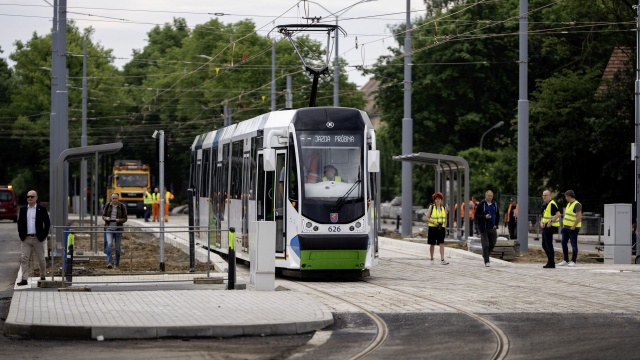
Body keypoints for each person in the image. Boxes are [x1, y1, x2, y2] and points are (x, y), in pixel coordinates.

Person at [16, 190, 50, 286]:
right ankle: (24, 279)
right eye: (28, 197)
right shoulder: (23, 210)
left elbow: (47, 224)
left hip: (38, 238)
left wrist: (43, 236)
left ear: (36, 198)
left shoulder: (41, 209)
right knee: (24, 258)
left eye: (32, 196)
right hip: (26, 238)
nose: (29, 198)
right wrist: (21, 235)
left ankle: (42, 275)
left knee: (41, 258)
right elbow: (20, 224)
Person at [102, 192, 128, 269]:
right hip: (109, 228)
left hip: (118, 229)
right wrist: (106, 218)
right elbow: (103, 215)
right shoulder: (107, 205)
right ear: (111, 198)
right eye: (113, 198)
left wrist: (119, 220)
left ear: (118, 198)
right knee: (109, 244)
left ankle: (116, 263)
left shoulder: (122, 206)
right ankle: (109, 262)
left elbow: (125, 218)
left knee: (117, 247)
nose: (114, 200)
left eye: (116, 198)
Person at [475, 190, 499, 267]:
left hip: (492, 227)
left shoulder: (494, 204)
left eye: (491, 196)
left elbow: (497, 215)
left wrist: (496, 224)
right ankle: (487, 261)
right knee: (485, 245)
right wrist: (484, 217)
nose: (490, 197)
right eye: (488, 196)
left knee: (492, 244)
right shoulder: (482, 204)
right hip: (484, 228)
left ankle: (485, 255)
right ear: (486, 196)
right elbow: (476, 215)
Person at [424, 192, 449, 265]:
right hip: (433, 228)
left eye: (439, 199)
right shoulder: (431, 207)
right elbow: (427, 218)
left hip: (441, 228)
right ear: (434, 200)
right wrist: (433, 222)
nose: (438, 200)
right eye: (436, 199)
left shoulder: (443, 208)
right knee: (432, 244)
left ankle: (442, 259)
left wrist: (445, 226)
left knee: (441, 243)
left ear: (441, 200)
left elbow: (445, 218)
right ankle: (431, 259)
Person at [559, 190, 582, 267]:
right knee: (563, 243)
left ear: (569, 196)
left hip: (573, 228)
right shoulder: (569, 204)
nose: (565, 198)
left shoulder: (577, 204)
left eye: (566, 196)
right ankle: (565, 260)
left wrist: (574, 226)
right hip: (566, 227)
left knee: (573, 244)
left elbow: (579, 216)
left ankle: (573, 261)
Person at [540, 190, 561, 269]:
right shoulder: (545, 204)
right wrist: (541, 222)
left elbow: (558, 214)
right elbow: (543, 215)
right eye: (543, 195)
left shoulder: (552, 204)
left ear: (550, 196)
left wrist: (551, 221)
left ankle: (551, 262)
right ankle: (550, 261)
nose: (544, 197)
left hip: (550, 227)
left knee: (548, 245)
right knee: (544, 245)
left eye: (546, 195)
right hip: (545, 227)